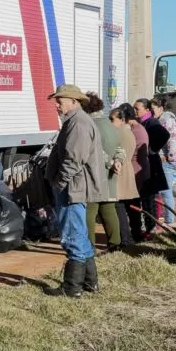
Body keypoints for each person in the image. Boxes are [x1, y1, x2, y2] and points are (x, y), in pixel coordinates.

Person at [44, 85, 107, 298]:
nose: (56, 105)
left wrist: (59, 182)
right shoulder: (77, 121)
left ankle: (72, 288)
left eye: (60, 101)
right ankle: (90, 283)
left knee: (72, 235)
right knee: (79, 234)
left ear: (73, 101)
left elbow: (74, 160)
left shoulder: (78, 123)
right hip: (75, 187)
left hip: (73, 188)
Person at [80, 94, 123, 253]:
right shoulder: (110, 124)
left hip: (94, 175)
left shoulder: (89, 125)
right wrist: (117, 161)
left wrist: (110, 163)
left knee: (89, 212)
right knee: (109, 209)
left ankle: (89, 246)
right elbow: (120, 148)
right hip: (110, 176)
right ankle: (115, 243)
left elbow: (95, 151)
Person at [134, 98, 171, 236]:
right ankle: (149, 227)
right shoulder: (141, 122)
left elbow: (165, 134)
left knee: (149, 197)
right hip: (144, 163)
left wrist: (153, 149)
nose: (135, 111)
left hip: (151, 164)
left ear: (147, 110)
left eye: (137, 108)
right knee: (145, 197)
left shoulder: (152, 122)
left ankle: (152, 227)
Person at [117, 103, 152, 243]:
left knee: (131, 204)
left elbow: (127, 152)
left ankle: (133, 235)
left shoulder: (135, 130)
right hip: (136, 170)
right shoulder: (136, 128)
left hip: (136, 171)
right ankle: (136, 234)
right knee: (132, 204)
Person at [108, 108, 139, 248]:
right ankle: (128, 237)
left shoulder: (119, 133)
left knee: (118, 208)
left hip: (120, 172)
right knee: (125, 208)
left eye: (112, 119)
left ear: (121, 119)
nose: (110, 122)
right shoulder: (129, 132)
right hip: (127, 171)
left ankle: (124, 239)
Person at [151, 96, 176, 224]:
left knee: (166, 192)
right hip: (160, 160)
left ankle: (170, 221)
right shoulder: (158, 120)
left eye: (153, 109)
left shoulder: (167, 120)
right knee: (160, 191)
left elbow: (172, 140)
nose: (151, 112)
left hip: (166, 162)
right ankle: (164, 218)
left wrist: (169, 157)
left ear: (161, 108)